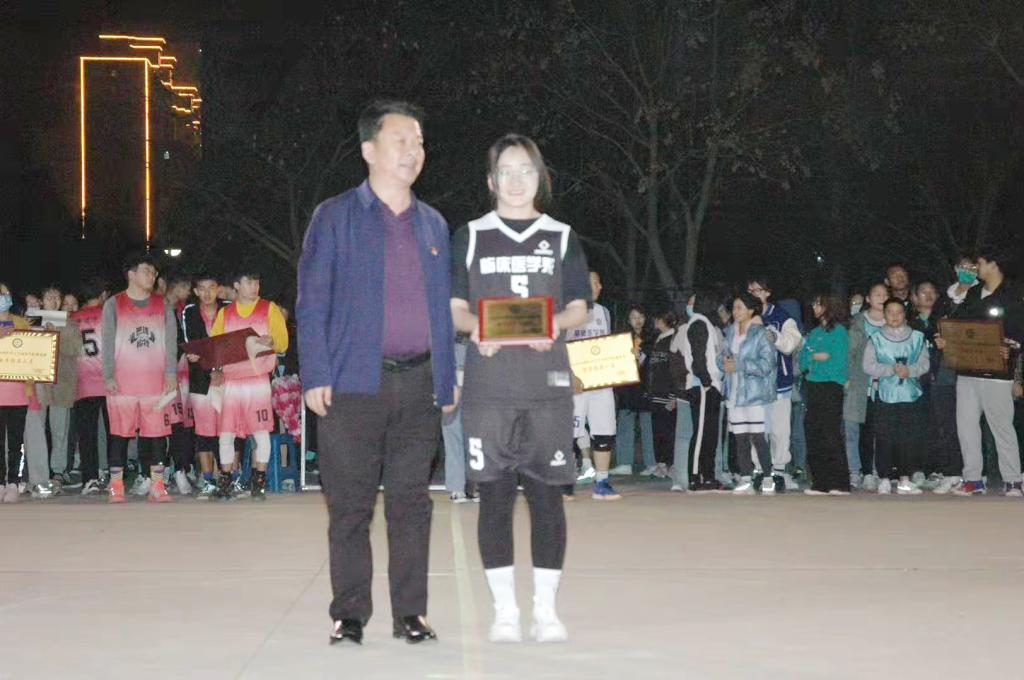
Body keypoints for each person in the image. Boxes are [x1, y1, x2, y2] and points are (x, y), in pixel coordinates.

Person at [297, 100, 457, 646]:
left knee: (412, 505)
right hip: (351, 383)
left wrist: (446, 378)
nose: (414, 151)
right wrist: (315, 372)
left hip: (419, 382)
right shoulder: (334, 216)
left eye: (419, 142)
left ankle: (411, 613)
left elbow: (441, 310)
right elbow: (311, 302)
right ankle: (349, 614)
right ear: (369, 150)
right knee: (350, 506)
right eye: (401, 141)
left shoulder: (433, 224)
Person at [450, 133, 590, 644]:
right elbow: (455, 307)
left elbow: (580, 306)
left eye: (525, 170)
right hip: (489, 388)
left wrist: (553, 324)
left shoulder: (562, 236)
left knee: (548, 500)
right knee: (494, 498)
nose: (515, 180)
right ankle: (505, 610)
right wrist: (477, 331)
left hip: (546, 387)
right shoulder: (470, 236)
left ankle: (545, 611)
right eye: (505, 171)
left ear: (540, 178)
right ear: (491, 181)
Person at [937, 249, 1023, 496]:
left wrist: (1011, 348)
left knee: (1001, 427)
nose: (976, 268)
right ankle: (973, 479)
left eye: (980, 263)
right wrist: (945, 340)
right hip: (967, 371)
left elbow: (1018, 334)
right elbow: (958, 325)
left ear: (994, 264)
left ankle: (1013, 480)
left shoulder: (1012, 295)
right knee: (966, 426)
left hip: (998, 374)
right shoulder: (973, 294)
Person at [101, 253, 178, 503]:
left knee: (157, 435)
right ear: (131, 274)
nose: (152, 276)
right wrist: (108, 375)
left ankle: (158, 485)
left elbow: (171, 341)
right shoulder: (113, 304)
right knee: (119, 434)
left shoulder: (163, 304)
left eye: (154, 272)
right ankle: (116, 486)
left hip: (155, 383)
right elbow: (107, 342)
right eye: (147, 271)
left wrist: (171, 373)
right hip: (122, 383)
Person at [209, 270, 288, 501]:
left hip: (257, 380)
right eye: (250, 283)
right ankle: (225, 482)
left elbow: (283, 342)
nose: (255, 287)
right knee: (226, 433)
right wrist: (215, 370)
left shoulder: (269, 309)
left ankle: (258, 482)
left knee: (261, 432)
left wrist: (271, 340)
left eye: (257, 283)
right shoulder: (225, 313)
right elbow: (215, 346)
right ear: (237, 285)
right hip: (232, 381)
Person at [862, 299, 930, 494]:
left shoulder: (917, 337)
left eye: (898, 312)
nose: (894, 316)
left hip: (910, 394)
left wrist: (910, 371)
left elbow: (924, 363)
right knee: (884, 436)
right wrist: (890, 369)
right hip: (886, 394)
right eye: (890, 312)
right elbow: (868, 366)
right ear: (884, 314)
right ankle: (884, 477)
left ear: (904, 314)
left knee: (907, 438)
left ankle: (904, 478)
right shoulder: (875, 339)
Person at [567, 270, 620, 500]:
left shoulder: (604, 312)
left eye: (599, 283)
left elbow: (606, 347)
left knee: (604, 430)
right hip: (575, 385)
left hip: (601, 382)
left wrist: (624, 358)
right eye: (595, 283)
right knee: (568, 433)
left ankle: (602, 481)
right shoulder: (567, 311)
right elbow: (559, 346)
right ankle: (562, 482)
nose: (599, 287)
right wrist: (570, 374)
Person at [24, 286, 82, 496]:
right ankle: (33, 475)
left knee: (60, 430)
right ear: (41, 301)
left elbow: (75, 349)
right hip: (38, 384)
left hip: (62, 384)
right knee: (35, 429)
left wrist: (56, 334)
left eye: (57, 297)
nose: (54, 300)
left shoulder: (70, 323)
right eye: (49, 297)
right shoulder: (32, 321)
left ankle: (58, 472)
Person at [747, 277, 803, 490]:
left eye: (757, 290)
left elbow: (792, 343)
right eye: (750, 291)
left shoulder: (781, 316)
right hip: (755, 384)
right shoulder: (744, 317)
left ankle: (779, 469)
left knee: (780, 429)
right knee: (757, 429)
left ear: (767, 292)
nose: (754, 295)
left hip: (779, 383)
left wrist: (775, 336)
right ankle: (759, 469)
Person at [718, 292, 778, 495]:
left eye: (739, 307)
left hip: (754, 394)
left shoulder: (760, 333)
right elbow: (721, 356)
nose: (735, 312)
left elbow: (767, 364)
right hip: (734, 392)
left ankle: (768, 477)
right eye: (734, 308)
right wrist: (724, 363)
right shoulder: (729, 332)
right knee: (740, 437)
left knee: (758, 437)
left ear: (751, 310)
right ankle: (746, 478)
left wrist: (740, 365)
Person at [909, 280, 962, 493]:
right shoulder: (909, 322)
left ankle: (951, 471)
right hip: (916, 381)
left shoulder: (946, 319)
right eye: (923, 292)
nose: (929, 295)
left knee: (946, 424)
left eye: (933, 291)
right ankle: (928, 469)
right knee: (923, 425)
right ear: (914, 297)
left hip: (943, 378)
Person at [181, 272, 230, 499]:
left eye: (212, 287)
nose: (208, 293)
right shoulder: (189, 312)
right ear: (196, 291)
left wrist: (220, 370)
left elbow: (232, 344)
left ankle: (227, 479)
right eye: (202, 288)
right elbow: (192, 346)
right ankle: (208, 481)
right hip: (200, 380)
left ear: (218, 288)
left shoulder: (228, 308)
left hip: (227, 378)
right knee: (204, 432)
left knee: (226, 431)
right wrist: (210, 369)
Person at [800, 294, 851, 495]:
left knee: (830, 432)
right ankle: (820, 482)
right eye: (813, 303)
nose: (814, 307)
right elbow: (803, 360)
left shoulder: (839, 331)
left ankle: (839, 482)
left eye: (818, 304)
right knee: (813, 432)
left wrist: (815, 360)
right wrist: (816, 358)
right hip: (813, 386)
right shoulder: (813, 333)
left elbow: (837, 361)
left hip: (831, 386)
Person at [677, 288, 724, 490]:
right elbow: (698, 358)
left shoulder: (704, 323)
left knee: (709, 434)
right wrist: (706, 382)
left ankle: (708, 476)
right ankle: (695, 476)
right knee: (702, 433)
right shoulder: (699, 323)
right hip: (702, 385)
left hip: (708, 385)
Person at [844, 282, 888, 490]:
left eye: (885, 294)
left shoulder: (894, 321)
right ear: (868, 299)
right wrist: (846, 378)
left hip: (885, 385)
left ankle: (876, 470)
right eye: (877, 294)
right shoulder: (857, 322)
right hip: (858, 382)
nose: (881, 298)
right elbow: (848, 352)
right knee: (852, 428)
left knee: (879, 430)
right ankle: (854, 470)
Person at [70, 287, 108, 496]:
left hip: (83, 383)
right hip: (110, 383)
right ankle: (115, 477)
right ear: (103, 294)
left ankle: (90, 479)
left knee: (87, 435)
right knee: (114, 433)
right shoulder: (109, 314)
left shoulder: (72, 318)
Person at [612, 305, 656, 476]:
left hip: (646, 386)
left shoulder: (652, 337)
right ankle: (625, 463)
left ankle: (651, 464)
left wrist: (641, 356)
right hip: (628, 387)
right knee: (625, 422)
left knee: (648, 426)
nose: (637, 321)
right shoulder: (622, 338)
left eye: (640, 316)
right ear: (628, 320)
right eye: (633, 317)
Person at [0, 283, 31, 503]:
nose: (2, 298)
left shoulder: (21, 323)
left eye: (4, 294)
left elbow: (34, 356)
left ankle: (13, 481)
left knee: (17, 441)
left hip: (19, 393)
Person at [647, 311, 684, 481]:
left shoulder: (673, 339)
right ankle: (661, 463)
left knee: (668, 431)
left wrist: (674, 396)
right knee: (658, 431)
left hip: (667, 394)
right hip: (656, 393)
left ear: (662, 320)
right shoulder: (658, 339)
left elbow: (675, 368)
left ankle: (670, 464)